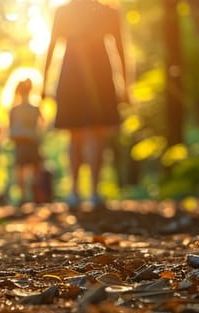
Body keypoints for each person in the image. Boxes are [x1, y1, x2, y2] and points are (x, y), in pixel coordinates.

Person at [42, 0, 130, 209]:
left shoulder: (68, 12)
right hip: (87, 74)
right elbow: (52, 46)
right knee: (88, 133)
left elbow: (51, 47)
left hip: (80, 74)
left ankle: (81, 191)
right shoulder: (105, 12)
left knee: (80, 134)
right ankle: (87, 191)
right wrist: (126, 86)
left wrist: (45, 83)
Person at [3, 71, 45, 205]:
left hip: (19, 141)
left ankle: (22, 196)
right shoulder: (35, 108)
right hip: (32, 141)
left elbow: (9, 126)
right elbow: (42, 125)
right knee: (33, 169)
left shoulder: (14, 109)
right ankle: (32, 195)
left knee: (20, 169)